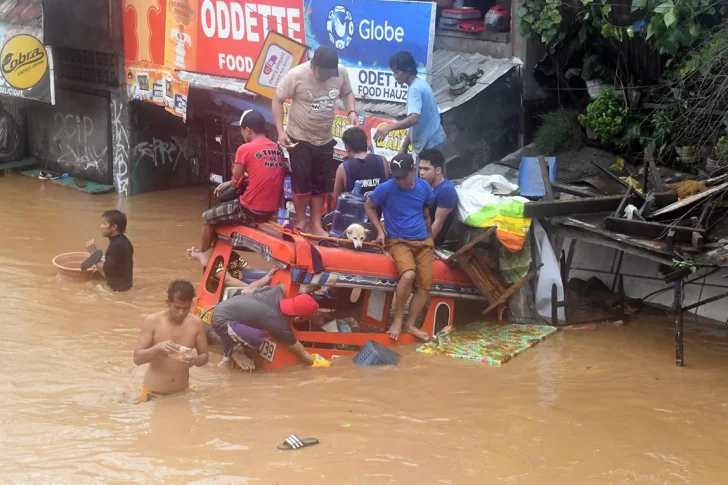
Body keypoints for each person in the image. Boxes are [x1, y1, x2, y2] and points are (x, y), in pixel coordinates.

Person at [272, 46, 359, 236]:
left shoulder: (341, 73)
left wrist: (351, 111)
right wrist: (280, 131)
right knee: (301, 181)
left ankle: (316, 224)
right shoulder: (296, 75)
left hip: (324, 138)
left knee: (321, 183)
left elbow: (347, 93)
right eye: (322, 74)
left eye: (330, 74)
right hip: (299, 136)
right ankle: (302, 221)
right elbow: (277, 100)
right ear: (312, 66)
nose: (326, 78)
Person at [194, 109, 285, 256]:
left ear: (248, 130)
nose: (241, 133)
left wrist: (231, 182)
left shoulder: (245, 149)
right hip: (270, 210)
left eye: (241, 129)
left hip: (249, 209)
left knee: (207, 217)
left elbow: (236, 181)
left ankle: (203, 254)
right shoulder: (276, 148)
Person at [365, 153, 435, 341]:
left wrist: (431, 240)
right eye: (396, 176)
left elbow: (426, 214)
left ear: (413, 170)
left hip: (423, 242)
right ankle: (397, 319)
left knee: (425, 286)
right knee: (408, 275)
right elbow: (369, 206)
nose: (400, 180)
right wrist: (380, 231)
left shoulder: (424, 187)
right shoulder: (386, 188)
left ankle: (410, 324)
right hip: (399, 241)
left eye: (403, 176)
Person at [211, 284, 330, 367]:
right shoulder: (280, 325)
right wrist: (319, 364)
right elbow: (302, 354)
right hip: (221, 321)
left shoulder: (276, 291)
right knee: (257, 337)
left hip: (223, 306)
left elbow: (247, 291)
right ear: (298, 318)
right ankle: (235, 350)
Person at [133, 280, 209, 403]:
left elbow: (204, 356)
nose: (181, 313)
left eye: (186, 308)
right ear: (168, 303)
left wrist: (195, 360)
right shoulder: (152, 321)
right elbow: (137, 359)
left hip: (182, 392)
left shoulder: (196, 324)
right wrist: (157, 348)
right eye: (177, 307)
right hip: (153, 392)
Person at [373, 51, 446, 164]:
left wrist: (389, 127)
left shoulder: (415, 89)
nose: (394, 76)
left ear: (407, 70)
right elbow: (415, 123)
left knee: (430, 180)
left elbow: (414, 118)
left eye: (396, 72)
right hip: (434, 142)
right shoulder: (420, 84)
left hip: (431, 145)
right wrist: (404, 146)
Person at [333, 127, 390, 202]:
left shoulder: (343, 167)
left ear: (347, 148)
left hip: (354, 212)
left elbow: (337, 198)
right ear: (365, 144)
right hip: (379, 211)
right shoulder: (382, 160)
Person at [418, 148, 458, 247]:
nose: (421, 173)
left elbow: (438, 223)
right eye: (420, 168)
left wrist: (423, 246)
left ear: (438, 170)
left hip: (431, 242)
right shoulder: (424, 185)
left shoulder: (446, 190)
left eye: (426, 169)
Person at [85, 210, 134, 292]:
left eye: (104, 223)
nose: (101, 226)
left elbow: (106, 273)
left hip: (117, 291)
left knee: (86, 288)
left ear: (114, 227)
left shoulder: (116, 246)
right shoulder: (123, 241)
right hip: (126, 287)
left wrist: (93, 253)